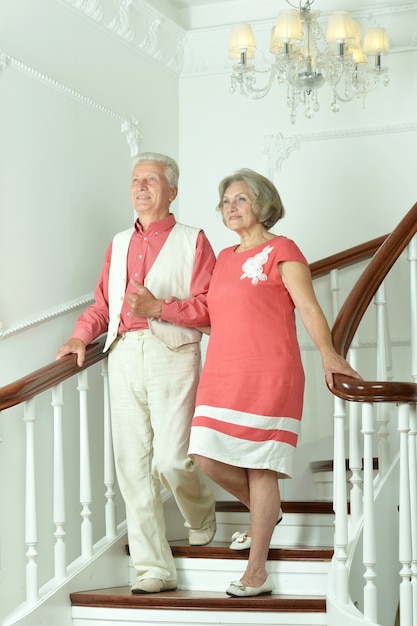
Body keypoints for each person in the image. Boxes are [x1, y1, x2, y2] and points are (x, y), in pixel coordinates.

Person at [188, 168, 361, 598]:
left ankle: (257, 571)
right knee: (205, 456)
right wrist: (162, 309)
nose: (231, 207)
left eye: (241, 199)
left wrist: (327, 352)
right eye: (226, 201)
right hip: (223, 373)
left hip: (270, 372)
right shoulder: (223, 259)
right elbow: (214, 319)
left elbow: (308, 307)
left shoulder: (283, 249)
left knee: (261, 466)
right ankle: (267, 512)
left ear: (263, 205)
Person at [56, 152, 217, 594]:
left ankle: (201, 514)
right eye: (135, 180)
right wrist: (78, 336)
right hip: (123, 353)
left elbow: (211, 307)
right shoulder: (118, 242)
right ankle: (153, 568)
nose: (141, 186)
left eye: (152, 179)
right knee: (132, 464)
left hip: (173, 353)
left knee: (171, 458)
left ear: (173, 191)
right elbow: (103, 305)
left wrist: (159, 308)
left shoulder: (194, 240)